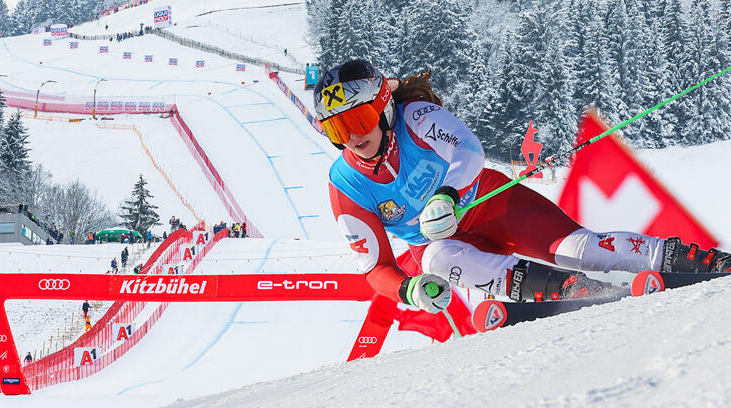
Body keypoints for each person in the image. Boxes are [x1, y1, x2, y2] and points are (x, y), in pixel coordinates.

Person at [313, 60, 731, 314]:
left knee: (578, 249)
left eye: (358, 121)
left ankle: (695, 260)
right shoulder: (345, 183)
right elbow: (375, 268)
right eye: (336, 128)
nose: (351, 137)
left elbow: (469, 150)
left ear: (384, 106)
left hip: (493, 205)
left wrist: (449, 194)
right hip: (444, 246)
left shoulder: (414, 117)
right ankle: (567, 290)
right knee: (435, 258)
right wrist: (409, 290)